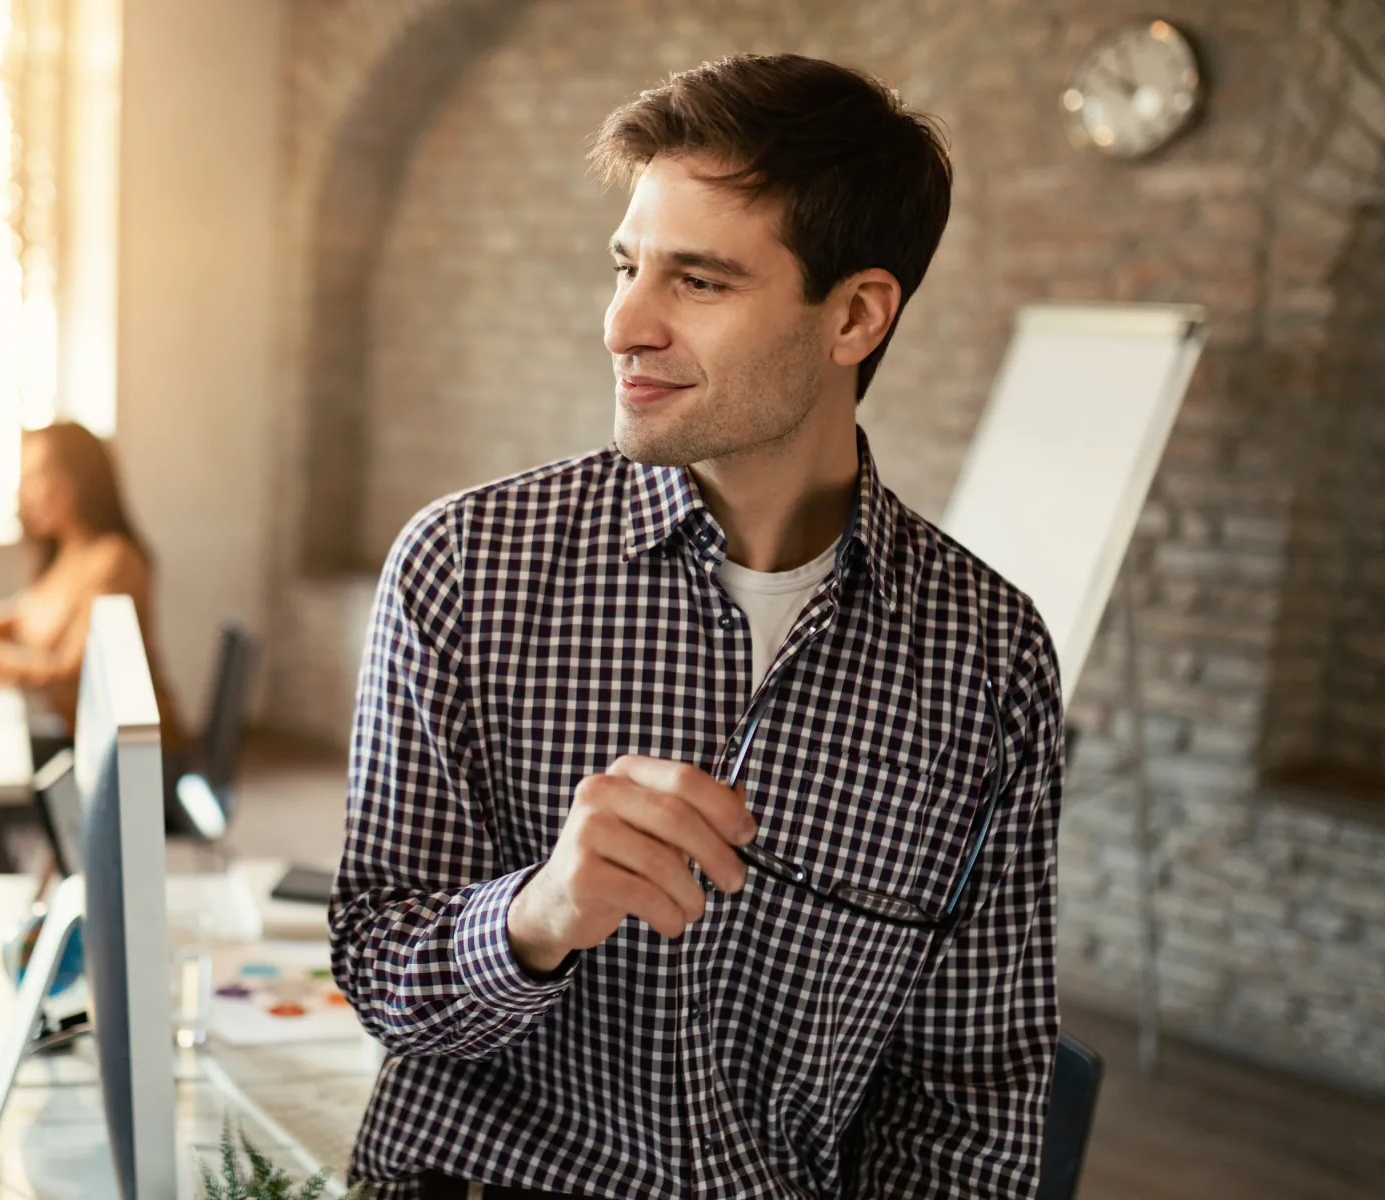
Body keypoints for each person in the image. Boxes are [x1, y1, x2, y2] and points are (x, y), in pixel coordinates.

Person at [330, 54, 1063, 1199]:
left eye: (700, 282)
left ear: (856, 315)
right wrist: (537, 914)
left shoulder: (987, 656)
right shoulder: (467, 567)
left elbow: (970, 1093)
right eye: (626, 266)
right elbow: (379, 975)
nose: (625, 323)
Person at [0, 422, 188, 979]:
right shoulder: (66, 555)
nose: (24, 492)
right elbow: (20, 616)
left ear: (77, 480)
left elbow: (66, 670)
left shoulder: (116, 561)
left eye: (35, 476)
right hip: (79, 744)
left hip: (136, 763)